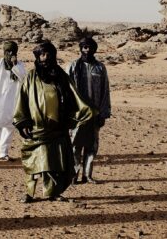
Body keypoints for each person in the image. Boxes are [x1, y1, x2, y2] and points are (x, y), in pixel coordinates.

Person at [13, 41, 96, 203]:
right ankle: (30, 193)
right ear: (37, 57)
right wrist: (22, 122)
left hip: (57, 128)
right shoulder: (30, 77)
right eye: (42, 55)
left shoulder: (61, 76)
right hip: (36, 128)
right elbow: (21, 100)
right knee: (35, 160)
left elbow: (74, 98)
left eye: (48, 54)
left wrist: (85, 114)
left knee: (55, 162)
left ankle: (53, 192)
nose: (46, 58)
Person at [66, 36, 111, 184]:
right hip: (78, 114)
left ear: (94, 49)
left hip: (95, 113)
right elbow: (67, 91)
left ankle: (87, 175)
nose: (87, 50)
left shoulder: (100, 67)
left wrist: (103, 113)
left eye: (89, 47)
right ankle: (74, 175)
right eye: (84, 47)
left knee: (92, 145)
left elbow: (105, 91)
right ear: (80, 49)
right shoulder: (73, 66)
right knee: (75, 145)